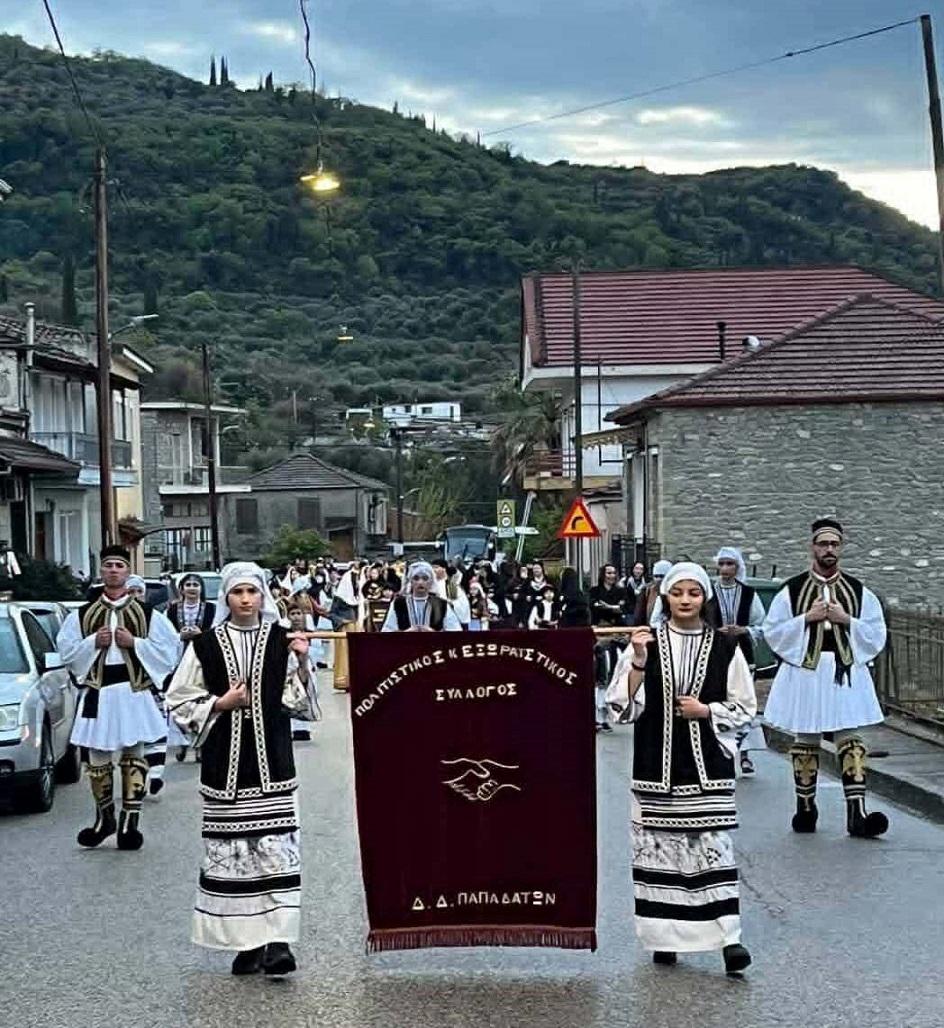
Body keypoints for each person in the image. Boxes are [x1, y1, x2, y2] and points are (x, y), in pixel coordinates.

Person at [164, 562, 317, 976]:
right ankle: (245, 944)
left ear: (262, 595)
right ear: (226, 597)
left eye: (252, 591)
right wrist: (220, 703)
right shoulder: (206, 644)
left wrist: (303, 662)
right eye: (238, 592)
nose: (245, 599)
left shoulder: (281, 640)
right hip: (225, 768)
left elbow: (298, 703)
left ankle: (278, 943)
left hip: (273, 766)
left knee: (275, 855)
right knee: (234, 857)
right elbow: (178, 699)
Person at [605, 562, 756, 975]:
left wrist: (706, 710)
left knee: (713, 851)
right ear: (666, 597)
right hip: (656, 766)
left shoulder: (725, 647)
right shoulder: (647, 643)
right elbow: (620, 708)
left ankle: (729, 939)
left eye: (693, 592)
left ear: (704, 598)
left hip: (707, 768)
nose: (685, 600)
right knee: (659, 853)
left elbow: (745, 706)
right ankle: (665, 938)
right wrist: (638, 661)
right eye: (677, 593)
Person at [763, 518, 889, 838]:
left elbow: (876, 633)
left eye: (834, 544)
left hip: (844, 669)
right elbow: (773, 631)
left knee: (851, 738)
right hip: (806, 669)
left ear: (841, 548)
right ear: (813, 547)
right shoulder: (791, 590)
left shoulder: (859, 591)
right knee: (806, 736)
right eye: (823, 544)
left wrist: (846, 620)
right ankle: (806, 808)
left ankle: (857, 813)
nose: (829, 549)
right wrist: (808, 617)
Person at [57, 546, 179, 850]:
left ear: (127, 571)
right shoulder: (82, 614)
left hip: (132, 689)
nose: (113, 570)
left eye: (119, 565)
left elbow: (169, 651)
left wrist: (134, 643)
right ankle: (105, 817)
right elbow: (67, 652)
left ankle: (130, 821)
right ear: (101, 571)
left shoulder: (147, 614)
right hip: (98, 691)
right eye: (108, 565)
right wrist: (92, 643)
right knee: (97, 756)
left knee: (134, 753)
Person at [705, 547, 767, 775]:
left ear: (737, 567)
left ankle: (745, 754)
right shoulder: (708, 593)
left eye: (729, 564)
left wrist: (742, 630)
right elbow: (700, 621)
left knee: (743, 703)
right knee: (717, 701)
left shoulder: (749, 594)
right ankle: (719, 751)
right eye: (721, 564)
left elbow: (762, 623)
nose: (725, 569)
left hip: (742, 654)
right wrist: (714, 631)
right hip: (714, 654)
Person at [167, 573, 217, 764]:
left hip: (203, 659)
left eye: (196, 584)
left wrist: (201, 635)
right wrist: (179, 636)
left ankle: (200, 745)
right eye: (188, 584)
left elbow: (218, 630)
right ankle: (182, 743)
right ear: (181, 589)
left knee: (201, 700)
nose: (192, 588)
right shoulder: (172, 610)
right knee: (181, 700)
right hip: (179, 660)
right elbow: (166, 634)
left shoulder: (211, 609)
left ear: (201, 589)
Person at [381, 561, 463, 631]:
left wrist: (434, 634)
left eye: (425, 578)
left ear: (431, 581)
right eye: (416, 578)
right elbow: (387, 631)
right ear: (411, 581)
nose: (420, 582)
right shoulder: (398, 603)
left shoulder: (441, 604)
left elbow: (455, 631)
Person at [636, 559, 672, 626]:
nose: (658, 579)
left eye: (662, 576)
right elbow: (639, 615)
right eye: (656, 576)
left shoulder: (675, 592)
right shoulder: (647, 590)